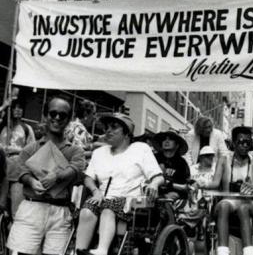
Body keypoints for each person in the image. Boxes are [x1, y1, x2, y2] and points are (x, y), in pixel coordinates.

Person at [74, 113, 164, 255]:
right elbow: (88, 177)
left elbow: (158, 176)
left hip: (131, 200)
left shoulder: (140, 149)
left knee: (108, 208)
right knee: (87, 210)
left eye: (114, 127)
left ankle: (101, 251)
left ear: (127, 133)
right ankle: (79, 251)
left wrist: (154, 184)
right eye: (106, 127)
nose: (108, 131)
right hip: (102, 197)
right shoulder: (99, 153)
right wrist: (95, 191)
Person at [7, 96, 85, 255]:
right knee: (23, 252)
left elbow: (77, 168)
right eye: (53, 113)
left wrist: (57, 176)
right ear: (45, 115)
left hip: (60, 211)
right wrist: (30, 181)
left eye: (62, 115)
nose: (57, 118)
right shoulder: (30, 148)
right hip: (32, 208)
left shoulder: (74, 150)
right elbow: (19, 171)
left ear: (68, 120)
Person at [215, 126, 253, 255]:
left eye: (248, 142)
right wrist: (200, 184)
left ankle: (249, 252)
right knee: (223, 205)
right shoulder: (223, 160)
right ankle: (223, 251)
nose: (244, 145)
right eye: (241, 142)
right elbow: (214, 183)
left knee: (244, 209)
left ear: (252, 144)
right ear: (233, 143)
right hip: (230, 200)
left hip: (251, 202)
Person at [0, 100, 36, 218]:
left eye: (20, 108)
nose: (18, 110)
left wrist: (17, 150)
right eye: (15, 108)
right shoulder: (2, 127)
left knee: (17, 211)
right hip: (2, 172)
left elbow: (33, 150)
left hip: (17, 173)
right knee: (1, 207)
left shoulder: (27, 128)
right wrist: (4, 106)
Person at [153, 130, 190, 201]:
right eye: (164, 139)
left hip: (174, 200)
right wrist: (164, 195)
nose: (166, 141)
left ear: (177, 145)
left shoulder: (181, 163)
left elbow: (185, 187)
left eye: (170, 139)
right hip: (153, 196)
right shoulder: (153, 158)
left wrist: (177, 195)